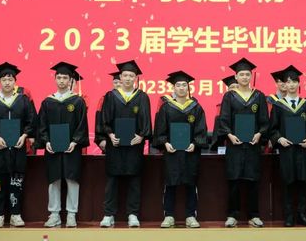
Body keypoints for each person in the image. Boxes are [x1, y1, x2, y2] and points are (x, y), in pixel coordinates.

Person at [0, 62, 36, 228]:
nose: (7, 82)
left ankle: (15, 214)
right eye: (4, 79)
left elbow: (32, 121)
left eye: (10, 79)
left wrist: (25, 135)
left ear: (15, 81)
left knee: (16, 183)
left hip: (17, 149)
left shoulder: (23, 100)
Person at [216, 58, 269, 228]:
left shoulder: (259, 96)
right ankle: (232, 215)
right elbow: (224, 119)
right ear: (236, 77)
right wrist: (229, 135)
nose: (245, 77)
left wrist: (259, 134)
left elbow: (264, 121)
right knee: (234, 181)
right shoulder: (229, 96)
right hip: (235, 146)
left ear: (251, 76)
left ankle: (254, 215)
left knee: (253, 182)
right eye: (242, 74)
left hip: (253, 145)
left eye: (247, 74)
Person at [99, 60, 152, 228]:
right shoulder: (111, 96)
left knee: (134, 180)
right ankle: (108, 214)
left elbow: (146, 120)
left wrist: (141, 136)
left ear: (136, 78)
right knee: (112, 180)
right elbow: (104, 119)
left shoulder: (142, 97)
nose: (128, 78)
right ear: (120, 77)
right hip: (115, 144)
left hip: (134, 145)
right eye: (125, 75)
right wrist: (110, 134)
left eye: (131, 75)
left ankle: (133, 214)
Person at [153, 71, 208, 229]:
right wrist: (165, 143)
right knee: (170, 183)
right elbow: (160, 130)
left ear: (188, 87)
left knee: (191, 183)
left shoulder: (196, 108)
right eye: (178, 85)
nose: (182, 88)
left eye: (184, 85)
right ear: (174, 87)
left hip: (190, 153)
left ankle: (191, 216)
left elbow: (201, 130)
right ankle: (169, 215)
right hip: (172, 153)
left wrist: (195, 143)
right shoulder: (166, 108)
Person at [38, 62, 89, 228]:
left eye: (65, 78)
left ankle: (71, 214)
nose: (61, 80)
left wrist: (75, 141)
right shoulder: (47, 102)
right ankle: (54, 214)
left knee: (72, 179)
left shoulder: (78, 101)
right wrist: (46, 141)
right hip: (52, 147)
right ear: (55, 79)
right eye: (59, 77)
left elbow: (82, 125)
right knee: (54, 180)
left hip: (71, 148)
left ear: (70, 80)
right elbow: (42, 125)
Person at [268, 65, 306, 227]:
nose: (291, 85)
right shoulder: (278, 105)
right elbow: (273, 128)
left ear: (298, 84)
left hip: (303, 151)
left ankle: (302, 215)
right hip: (286, 151)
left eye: (294, 81)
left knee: (303, 183)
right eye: (288, 82)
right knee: (287, 183)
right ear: (284, 84)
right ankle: (288, 216)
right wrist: (279, 139)